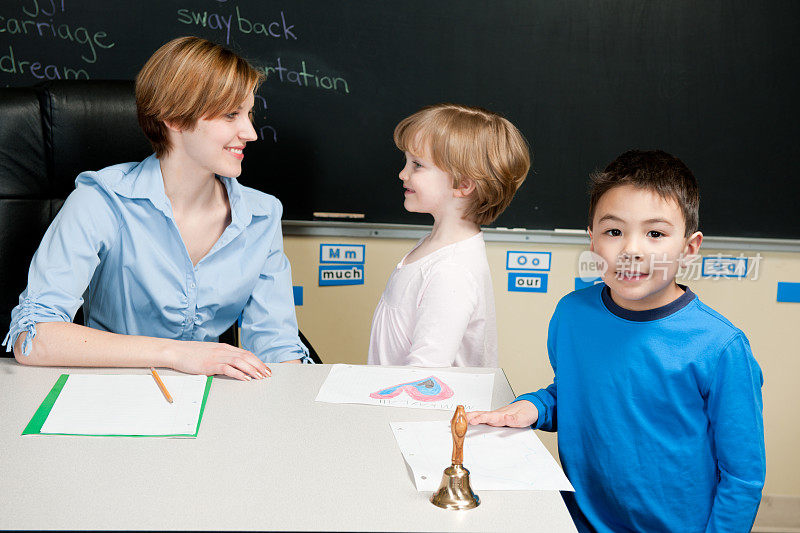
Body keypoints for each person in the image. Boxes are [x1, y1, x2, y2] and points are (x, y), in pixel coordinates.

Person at [467, 150, 765, 532]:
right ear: (592, 241)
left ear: (689, 248)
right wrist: (533, 407)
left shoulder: (721, 347)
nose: (631, 250)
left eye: (655, 233)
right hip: (582, 520)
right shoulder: (572, 315)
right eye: (614, 232)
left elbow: (742, 477)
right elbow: (573, 394)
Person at [3, 36, 309, 378]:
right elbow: (35, 339)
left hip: (210, 403)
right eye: (230, 114)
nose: (250, 132)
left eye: (249, 113)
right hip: (106, 398)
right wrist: (176, 354)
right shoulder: (102, 200)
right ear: (174, 118)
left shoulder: (262, 216)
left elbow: (277, 348)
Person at [367, 103, 530, 367]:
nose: (402, 173)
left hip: (421, 406)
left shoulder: (451, 271)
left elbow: (424, 375)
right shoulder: (433, 247)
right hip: (396, 401)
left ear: (463, 184)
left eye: (417, 165)